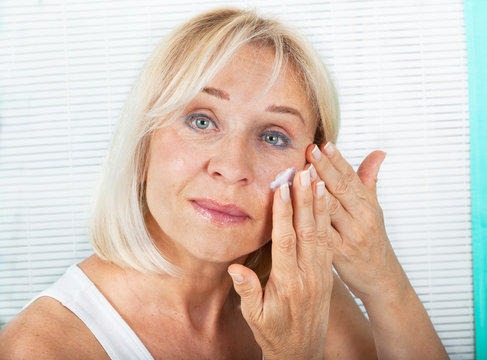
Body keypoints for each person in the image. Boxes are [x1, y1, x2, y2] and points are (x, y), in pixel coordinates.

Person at [0, 8, 449, 359]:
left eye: (273, 135)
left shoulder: (302, 292)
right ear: (141, 147)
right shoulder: (42, 347)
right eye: (201, 120)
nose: (233, 167)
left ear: (311, 174)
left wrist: (384, 280)